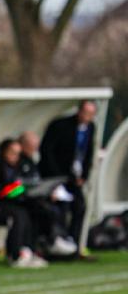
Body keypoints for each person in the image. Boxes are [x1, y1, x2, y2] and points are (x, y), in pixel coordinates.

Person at [39, 100, 98, 254]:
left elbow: (88, 153)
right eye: (85, 112)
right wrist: (57, 175)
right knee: (61, 208)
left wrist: (84, 175)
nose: (87, 117)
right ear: (79, 111)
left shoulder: (91, 128)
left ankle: (75, 245)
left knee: (80, 207)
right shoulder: (61, 126)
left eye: (91, 114)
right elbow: (48, 151)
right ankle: (58, 245)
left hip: (74, 178)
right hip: (56, 177)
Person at [16, 131, 77, 258]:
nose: (34, 150)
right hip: (20, 200)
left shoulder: (32, 162)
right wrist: (25, 190)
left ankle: (59, 238)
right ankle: (50, 241)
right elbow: (11, 188)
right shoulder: (18, 163)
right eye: (32, 146)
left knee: (62, 205)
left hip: (34, 197)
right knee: (44, 210)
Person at [0, 138, 48, 268]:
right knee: (19, 215)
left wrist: (25, 189)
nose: (15, 156)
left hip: (14, 203)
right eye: (12, 152)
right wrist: (21, 188)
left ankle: (29, 250)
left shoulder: (20, 166)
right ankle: (14, 255)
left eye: (18, 153)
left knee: (35, 209)